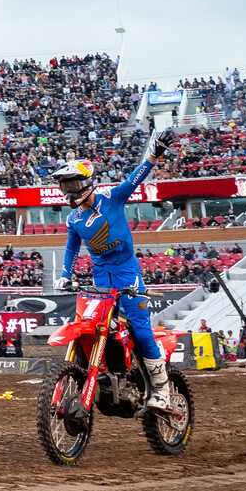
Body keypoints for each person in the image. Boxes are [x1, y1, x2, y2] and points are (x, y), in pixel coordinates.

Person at [56, 127, 179, 412]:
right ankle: (103, 376)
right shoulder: (74, 219)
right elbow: (72, 248)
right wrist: (65, 275)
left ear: (85, 183)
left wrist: (155, 152)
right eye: (65, 187)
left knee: (139, 325)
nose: (69, 192)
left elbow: (136, 177)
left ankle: (160, 387)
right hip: (101, 277)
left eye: (73, 185)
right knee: (98, 326)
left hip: (127, 271)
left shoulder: (112, 197)